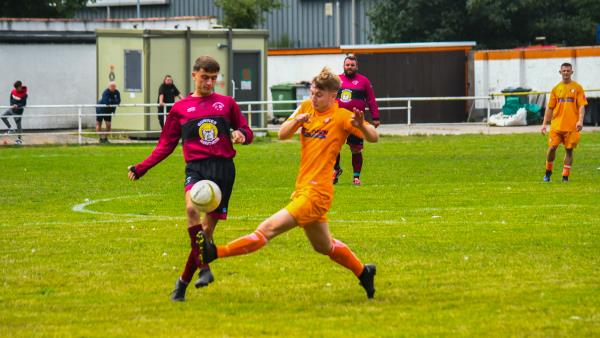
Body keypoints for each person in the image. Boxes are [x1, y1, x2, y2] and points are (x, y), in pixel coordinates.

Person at [195, 67, 379, 299]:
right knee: (325, 247)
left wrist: (362, 125)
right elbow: (282, 134)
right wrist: (297, 121)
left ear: (333, 96)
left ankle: (215, 253)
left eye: (319, 95)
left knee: (266, 230)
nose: (314, 98)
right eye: (312, 93)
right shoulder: (305, 108)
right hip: (302, 189)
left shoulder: (342, 117)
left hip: (316, 194)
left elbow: (374, 137)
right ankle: (364, 272)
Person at [127, 56, 253, 301]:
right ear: (194, 75)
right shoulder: (180, 109)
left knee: (206, 233)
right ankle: (204, 268)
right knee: (191, 209)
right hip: (196, 168)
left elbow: (248, 132)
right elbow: (166, 145)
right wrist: (142, 167)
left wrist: (241, 134)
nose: (209, 83)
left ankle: (182, 282)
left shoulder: (227, 104)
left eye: (214, 78)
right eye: (205, 77)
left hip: (223, 170)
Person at [333, 54, 380, 186]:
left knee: (356, 149)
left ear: (356, 66)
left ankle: (356, 177)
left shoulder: (364, 81)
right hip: (338, 120)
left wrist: (375, 117)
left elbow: (371, 100)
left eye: (352, 65)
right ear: (344, 66)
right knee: (334, 147)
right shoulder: (336, 80)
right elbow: (330, 97)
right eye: (347, 65)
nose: (350, 67)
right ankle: (335, 170)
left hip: (356, 121)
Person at [541, 63, 587, 182]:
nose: (566, 73)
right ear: (560, 72)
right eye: (564, 71)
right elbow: (550, 107)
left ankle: (565, 176)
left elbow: (582, 106)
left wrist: (580, 121)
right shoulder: (556, 89)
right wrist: (544, 124)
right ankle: (548, 172)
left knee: (569, 150)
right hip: (556, 126)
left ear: (572, 72)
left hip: (572, 127)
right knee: (551, 148)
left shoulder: (578, 88)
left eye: (568, 71)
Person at [2, 81, 28, 145]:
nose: (16, 89)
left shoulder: (24, 94)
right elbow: (11, 98)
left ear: (20, 87)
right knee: (3, 116)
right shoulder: (13, 91)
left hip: (18, 112)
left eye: (17, 88)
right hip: (11, 109)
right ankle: (11, 129)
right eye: (15, 88)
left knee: (18, 125)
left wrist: (17, 106)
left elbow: (23, 104)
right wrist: (12, 105)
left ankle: (19, 139)